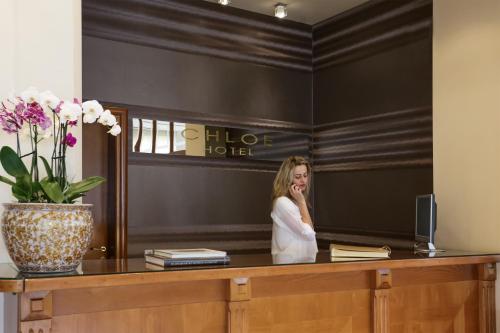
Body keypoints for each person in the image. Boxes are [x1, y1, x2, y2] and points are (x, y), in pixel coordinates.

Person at [270, 156, 318, 263]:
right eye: (298, 176)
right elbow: (309, 233)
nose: (303, 180)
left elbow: (309, 231)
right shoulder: (282, 203)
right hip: (290, 263)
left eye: (305, 175)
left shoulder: (296, 201)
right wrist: (302, 202)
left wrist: (301, 201)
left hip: (303, 262)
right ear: (287, 179)